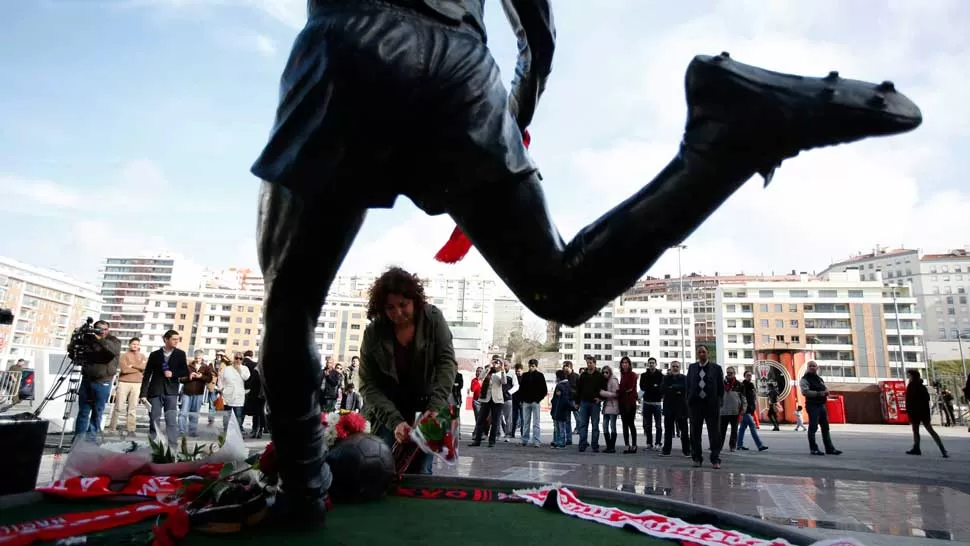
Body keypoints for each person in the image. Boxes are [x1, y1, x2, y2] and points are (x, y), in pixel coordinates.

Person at [251, 0, 921, 524]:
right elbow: (538, 38)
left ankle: (305, 491)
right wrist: (502, 116)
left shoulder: (426, 329)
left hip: (352, 43)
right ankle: (723, 142)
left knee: (289, 305)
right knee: (560, 286)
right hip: (463, 65)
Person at [359, 267, 458, 475]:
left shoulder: (433, 319)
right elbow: (368, 385)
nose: (398, 313)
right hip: (388, 408)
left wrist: (436, 407)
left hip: (429, 403)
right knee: (383, 467)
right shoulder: (373, 333)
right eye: (390, 308)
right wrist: (395, 421)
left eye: (403, 305)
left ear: (414, 300)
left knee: (422, 470)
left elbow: (447, 363)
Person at [69, 320, 121, 443]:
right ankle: (78, 439)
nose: (101, 331)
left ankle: (91, 439)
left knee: (97, 412)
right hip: (87, 379)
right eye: (98, 328)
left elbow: (113, 351)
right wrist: (76, 338)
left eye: (104, 329)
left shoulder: (113, 340)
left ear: (108, 330)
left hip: (103, 381)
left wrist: (100, 339)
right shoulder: (88, 340)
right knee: (83, 411)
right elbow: (73, 354)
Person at [139, 330, 188, 440]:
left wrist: (173, 374)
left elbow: (185, 372)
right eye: (174, 339)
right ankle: (153, 445)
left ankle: (172, 446)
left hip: (171, 392)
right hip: (155, 391)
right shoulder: (154, 355)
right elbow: (147, 375)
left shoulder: (180, 354)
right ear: (166, 339)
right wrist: (143, 394)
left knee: (171, 420)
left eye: (178, 339)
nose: (176, 341)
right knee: (154, 419)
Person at [686, 345, 723, 468]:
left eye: (704, 352)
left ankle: (715, 459)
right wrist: (688, 401)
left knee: (714, 433)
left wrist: (719, 402)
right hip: (696, 405)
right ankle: (697, 458)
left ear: (708, 354)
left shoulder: (716, 368)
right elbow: (688, 385)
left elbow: (720, 388)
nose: (702, 354)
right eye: (699, 352)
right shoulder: (692, 368)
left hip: (711, 405)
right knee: (695, 433)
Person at [799, 360, 842, 456]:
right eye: (810, 366)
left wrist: (827, 392)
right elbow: (805, 392)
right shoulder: (804, 379)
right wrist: (819, 393)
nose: (812, 367)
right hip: (812, 405)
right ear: (807, 367)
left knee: (825, 427)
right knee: (813, 427)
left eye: (814, 366)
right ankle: (813, 449)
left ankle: (830, 448)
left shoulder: (819, 379)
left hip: (821, 405)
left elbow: (825, 388)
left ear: (817, 368)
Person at [904, 369, 948, 458]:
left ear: (912, 376)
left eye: (909, 376)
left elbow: (909, 400)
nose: (908, 377)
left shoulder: (912, 386)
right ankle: (942, 449)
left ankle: (917, 448)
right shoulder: (922, 386)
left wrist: (909, 410)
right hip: (924, 412)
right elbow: (927, 398)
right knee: (930, 430)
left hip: (915, 412)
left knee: (916, 431)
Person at [468, 357, 510, 448]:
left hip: (497, 400)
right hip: (485, 399)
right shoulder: (488, 371)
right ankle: (477, 440)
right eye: (495, 362)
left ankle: (492, 441)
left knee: (495, 421)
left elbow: (504, 382)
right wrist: (488, 367)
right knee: (481, 420)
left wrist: (502, 369)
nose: (496, 364)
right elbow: (480, 378)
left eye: (498, 362)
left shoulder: (501, 372)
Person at [108, 337, 146, 438]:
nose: (135, 346)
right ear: (129, 345)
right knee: (118, 407)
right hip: (124, 382)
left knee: (132, 408)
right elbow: (124, 370)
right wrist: (138, 369)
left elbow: (144, 367)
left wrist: (132, 366)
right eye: (133, 344)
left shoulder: (142, 356)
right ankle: (112, 428)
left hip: (137, 383)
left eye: (137, 344)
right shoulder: (124, 356)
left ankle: (131, 429)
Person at [180, 350, 214, 437]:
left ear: (202, 358)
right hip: (187, 392)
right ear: (194, 358)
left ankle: (192, 432)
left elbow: (209, 379)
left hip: (199, 393)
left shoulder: (206, 367)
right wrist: (189, 377)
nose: (197, 360)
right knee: (183, 412)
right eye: (196, 358)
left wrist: (201, 376)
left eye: (199, 358)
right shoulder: (188, 367)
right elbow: (181, 379)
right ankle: (182, 431)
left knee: (194, 413)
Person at [660, 361, 689, 457]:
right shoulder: (666, 378)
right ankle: (666, 451)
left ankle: (686, 451)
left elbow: (686, 388)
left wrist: (672, 387)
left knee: (684, 431)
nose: (675, 368)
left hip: (681, 408)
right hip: (669, 407)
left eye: (677, 366)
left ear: (679, 368)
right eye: (673, 366)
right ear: (670, 367)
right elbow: (663, 389)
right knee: (668, 431)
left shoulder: (684, 378)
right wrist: (677, 390)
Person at [518, 358, 548, 447]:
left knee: (536, 422)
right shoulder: (525, 375)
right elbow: (521, 389)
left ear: (536, 366)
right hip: (526, 402)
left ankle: (536, 441)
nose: (531, 367)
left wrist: (538, 399)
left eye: (533, 366)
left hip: (535, 402)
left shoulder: (540, 375)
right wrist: (522, 399)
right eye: (530, 366)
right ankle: (525, 439)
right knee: (526, 422)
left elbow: (544, 390)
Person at [737, 370, 768, 452]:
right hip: (746, 410)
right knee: (752, 427)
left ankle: (739, 445)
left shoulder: (751, 385)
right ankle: (760, 445)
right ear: (744, 376)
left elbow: (753, 397)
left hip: (749, 409)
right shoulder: (743, 385)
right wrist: (745, 408)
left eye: (750, 375)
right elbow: (742, 397)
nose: (749, 376)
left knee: (742, 428)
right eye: (747, 375)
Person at [639, 357, 663, 449]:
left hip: (657, 403)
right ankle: (649, 443)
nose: (651, 364)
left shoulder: (660, 375)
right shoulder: (644, 375)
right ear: (648, 364)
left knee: (658, 425)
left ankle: (658, 443)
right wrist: (654, 387)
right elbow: (642, 387)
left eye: (653, 363)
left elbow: (661, 388)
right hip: (647, 402)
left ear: (656, 364)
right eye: (650, 363)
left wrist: (651, 387)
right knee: (647, 425)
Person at [616, 357, 638, 454]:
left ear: (629, 364)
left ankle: (634, 445)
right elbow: (623, 389)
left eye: (626, 362)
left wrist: (618, 390)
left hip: (630, 403)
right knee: (625, 425)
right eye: (623, 363)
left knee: (631, 424)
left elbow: (629, 388)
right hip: (622, 402)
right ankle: (627, 445)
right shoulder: (622, 375)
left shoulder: (632, 375)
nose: (624, 364)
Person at [719, 367, 743, 452]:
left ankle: (732, 446)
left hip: (735, 411)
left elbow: (743, 398)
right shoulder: (721, 384)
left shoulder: (739, 384)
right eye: (728, 372)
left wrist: (743, 409)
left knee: (734, 430)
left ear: (734, 373)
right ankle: (719, 446)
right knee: (722, 431)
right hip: (723, 411)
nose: (729, 374)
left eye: (731, 373)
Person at [243, 351, 267, 439]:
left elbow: (253, 381)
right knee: (260, 412)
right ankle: (259, 429)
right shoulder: (264, 368)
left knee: (257, 412)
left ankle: (257, 429)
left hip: (257, 394)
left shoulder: (257, 369)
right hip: (263, 394)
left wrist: (245, 385)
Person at [598, 365, 620, 453]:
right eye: (603, 372)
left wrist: (603, 393)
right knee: (605, 426)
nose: (604, 374)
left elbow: (616, 394)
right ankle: (609, 446)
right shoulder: (605, 381)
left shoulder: (613, 380)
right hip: (607, 406)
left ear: (610, 372)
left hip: (613, 405)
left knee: (612, 426)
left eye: (606, 372)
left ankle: (611, 447)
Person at [549, 370, 572, 449]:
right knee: (561, 427)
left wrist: (552, 403)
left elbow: (556, 399)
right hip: (563, 410)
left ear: (558, 377)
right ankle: (560, 442)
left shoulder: (559, 386)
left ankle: (559, 442)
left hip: (557, 410)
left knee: (558, 427)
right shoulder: (568, 385)